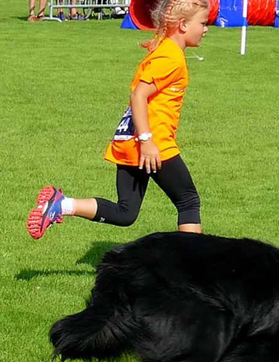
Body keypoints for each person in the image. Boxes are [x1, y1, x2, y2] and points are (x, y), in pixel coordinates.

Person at [28, 0, 210, 239]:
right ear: (183, 25)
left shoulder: (165, 49)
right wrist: (147, 140)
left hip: (128, 140)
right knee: (188, 201)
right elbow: (138, 95)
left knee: (126, 213)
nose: (206, 29)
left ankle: (61, 205)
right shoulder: (170, 57)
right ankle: (193, 271)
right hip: (152, 144)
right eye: (203, 23)